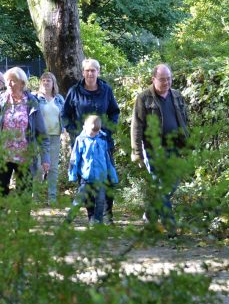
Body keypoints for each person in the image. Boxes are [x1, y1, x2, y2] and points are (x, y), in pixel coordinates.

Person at [130, 63, 189, 230]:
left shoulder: (177, 95)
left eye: (169, 79)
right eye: (163, 79)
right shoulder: (144, 98)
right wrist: (137, 152)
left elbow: (184, 120)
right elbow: (136, 126)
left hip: (175, 147)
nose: (166, 83)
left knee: (173, 184)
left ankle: (150, 213)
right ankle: (170, 226)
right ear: (153, 79)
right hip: (153, 149)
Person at [62, 58, 120, 219]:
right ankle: (92, 216)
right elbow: (65, 115)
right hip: (82, 145)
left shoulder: (106, 90)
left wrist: (108, 131)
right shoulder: (74, 91)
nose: (90, 73)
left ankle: (108, 216)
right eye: (87, 70)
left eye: (93, 70)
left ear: (98, 72)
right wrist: (74, 132)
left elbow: (114, 112)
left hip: (104, 143)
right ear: (83, 73)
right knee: (85, 182)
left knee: (107, 180)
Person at [0, 67, 50, 196]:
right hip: (2, 155)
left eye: (12, 81)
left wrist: (45, 159)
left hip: (25, 156)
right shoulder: (0, 98)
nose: (8, 84)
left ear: (22, 83)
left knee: (24, 194)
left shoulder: (31, 102)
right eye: (7, 80)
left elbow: (41, 133)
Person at [67, 115, 118, 224]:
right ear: (84, 126)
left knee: (100, 202)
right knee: (78, 201)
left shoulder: (103, 139)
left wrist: (113, 176)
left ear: (99, 130)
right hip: (86, 178)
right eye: (91, 132)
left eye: (96, 132)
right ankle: (67, 221)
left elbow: (108, 160)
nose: (93, 134)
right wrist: (72, 174)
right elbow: (74, 158)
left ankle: (97, 224)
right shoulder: (80, 140)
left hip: (101, 179)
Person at [36, 71, 65, 205]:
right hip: (39, 137)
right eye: (44, 80)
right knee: (38, 167)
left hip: (54, 136)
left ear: (53, 84)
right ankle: (36, 197)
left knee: (53, 168)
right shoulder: (35, 98)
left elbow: (64, 116)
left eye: (49, 80)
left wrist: (65, 131)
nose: (46, 83)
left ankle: (51, 198)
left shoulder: (59, 99)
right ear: (40, 83)